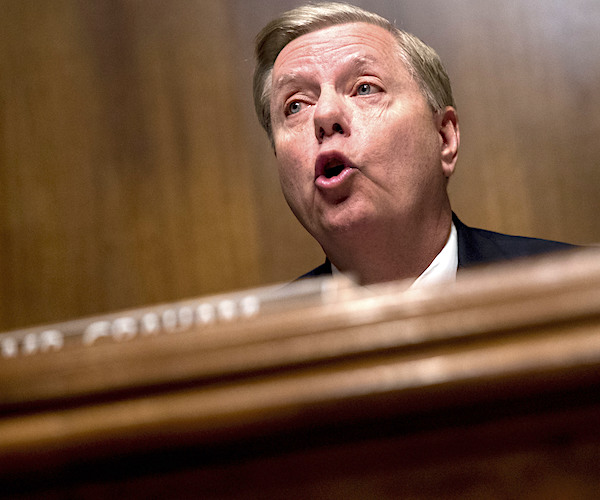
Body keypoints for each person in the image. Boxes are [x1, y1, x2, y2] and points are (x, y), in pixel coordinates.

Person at [253, 2, 572, 287]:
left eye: (365, 88)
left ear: (444, 138)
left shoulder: (576, 289)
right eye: (295, 105)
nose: (324, 114)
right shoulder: (257, 344)